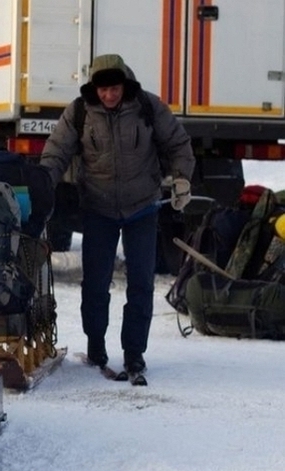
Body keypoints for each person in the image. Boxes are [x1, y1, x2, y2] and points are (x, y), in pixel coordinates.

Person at [40, 53, 195, 380]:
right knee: (96, 284)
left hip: (143, 208)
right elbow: (57, 152)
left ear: (125, 84)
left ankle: (134, 353)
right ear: (93, 88)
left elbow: (179, 144)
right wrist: (43, 184)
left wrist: (181, 178)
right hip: (98, 210)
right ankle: (96, 344)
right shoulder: (79, 112)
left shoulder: (149, 108)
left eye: (115, 89)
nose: (109, 96)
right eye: (103, 90)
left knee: (141, 283)